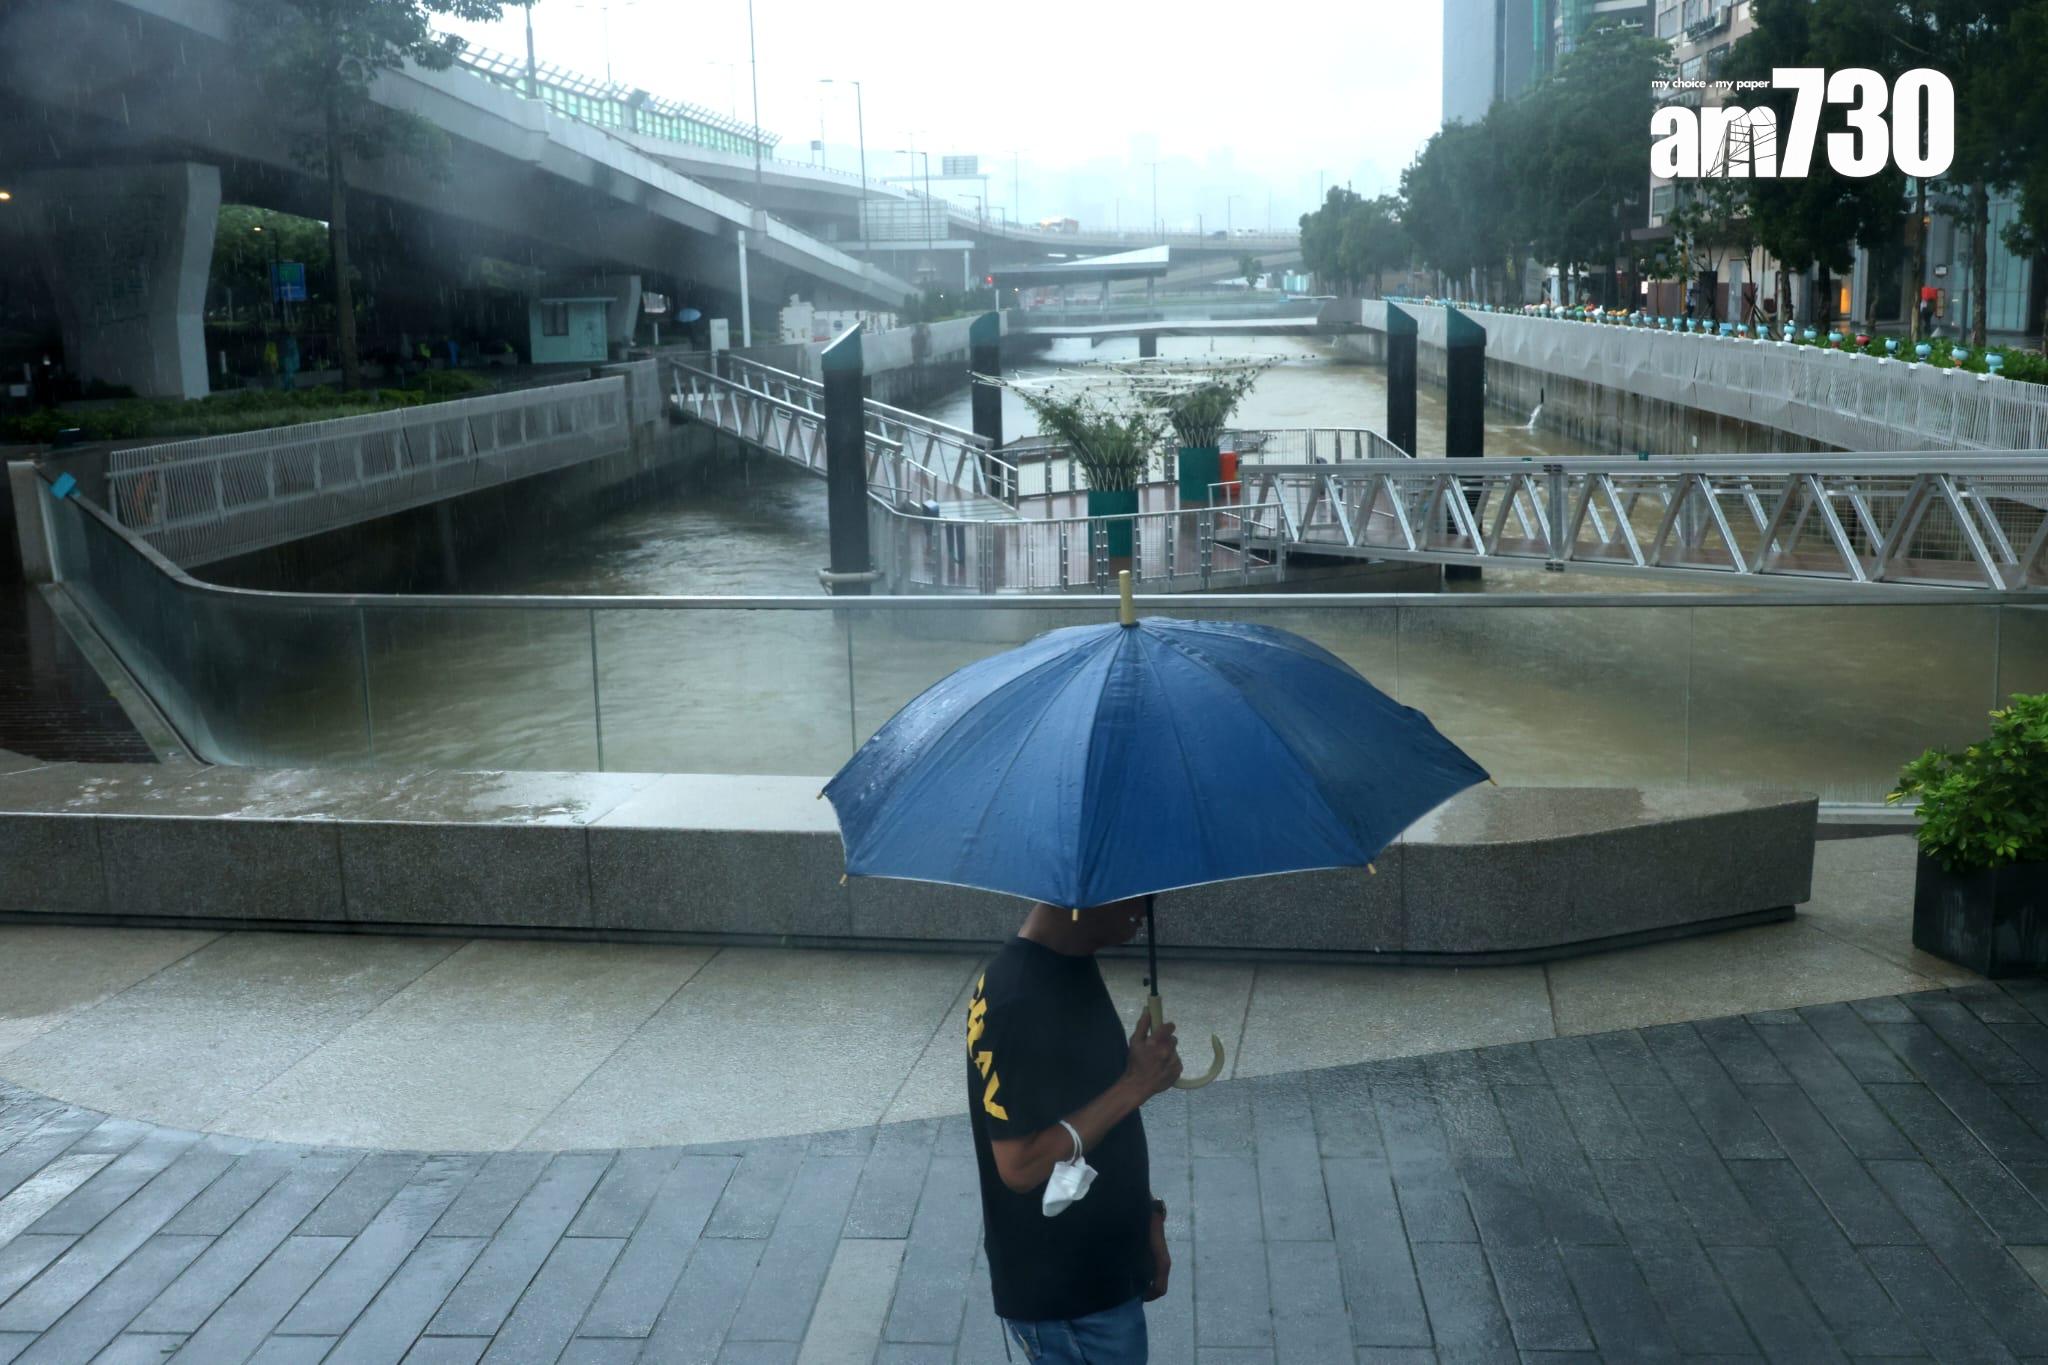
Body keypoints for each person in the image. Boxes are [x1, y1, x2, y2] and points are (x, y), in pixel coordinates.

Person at [968, 897, 1185, 1363]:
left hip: (1102, 1272)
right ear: (1082, 896)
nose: (1146, 908)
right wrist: (1134, 1085)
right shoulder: (1016, 1000)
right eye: (1136, 895)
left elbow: (1094, 1114)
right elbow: (1020, 1165)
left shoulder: (1070, 964)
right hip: (1070, 1301)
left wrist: (1147, 1216)